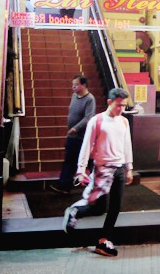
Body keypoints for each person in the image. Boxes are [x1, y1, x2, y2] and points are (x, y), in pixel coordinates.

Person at [62, 88, 134, 258]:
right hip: (102, 169)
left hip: (119, 168)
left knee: (115, 207)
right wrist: (81, 170)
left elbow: (127, 145)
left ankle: (103, 241)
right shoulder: (97, 121)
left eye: (124, 106)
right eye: (118, 105)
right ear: (109, 102)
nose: (121, 109)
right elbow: (86, 146)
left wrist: (129, 168)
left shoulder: (124, 122)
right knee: (99, 207)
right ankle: (75, 212)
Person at [50, 75, 96, 195]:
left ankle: (96, 185)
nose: (73, 87)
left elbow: (88, 117)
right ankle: (64, 186)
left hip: (82, 137)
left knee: (88, 162)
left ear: (84, 85)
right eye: (73, 84)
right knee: (69, 160)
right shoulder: (74, 96)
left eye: (76, 84)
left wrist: (76, 128)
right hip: (72, 136)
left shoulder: (90, 99)